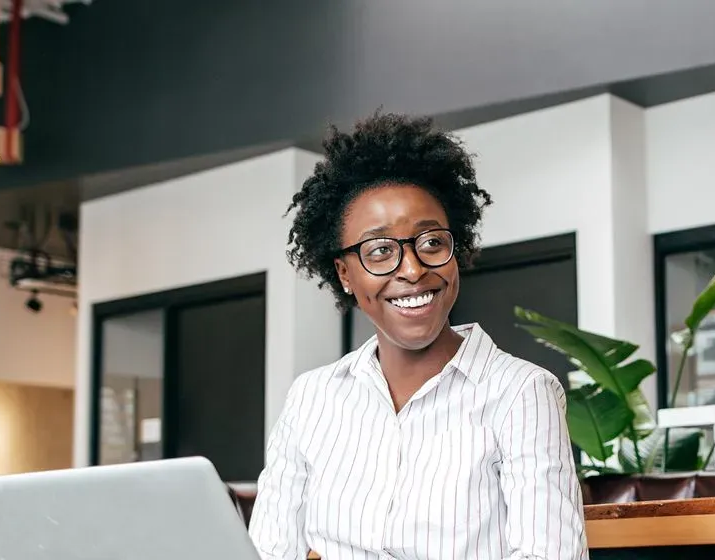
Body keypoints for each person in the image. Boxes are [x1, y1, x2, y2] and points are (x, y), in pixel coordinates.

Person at [250, 113, 587, 560]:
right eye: (380, 251)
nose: (412, 270)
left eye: (430, 243)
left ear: (456, 248)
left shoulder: (521, 393)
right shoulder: (311, 398)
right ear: (345, 273)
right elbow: (269, 552)